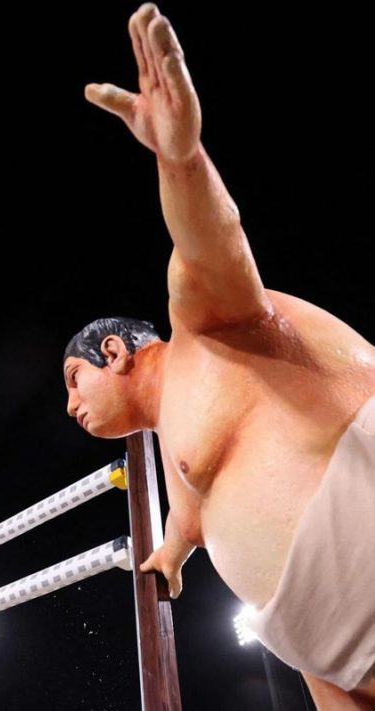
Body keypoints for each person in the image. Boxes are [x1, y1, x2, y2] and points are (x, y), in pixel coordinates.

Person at [63, 5, 375, 707]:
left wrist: (180, 158)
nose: (71, 405)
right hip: (336, 657)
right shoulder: (179, 448)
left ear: (115, 351)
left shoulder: (204, 326)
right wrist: (168, 558)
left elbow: (213, 238)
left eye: (74, 378)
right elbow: (190, 514)